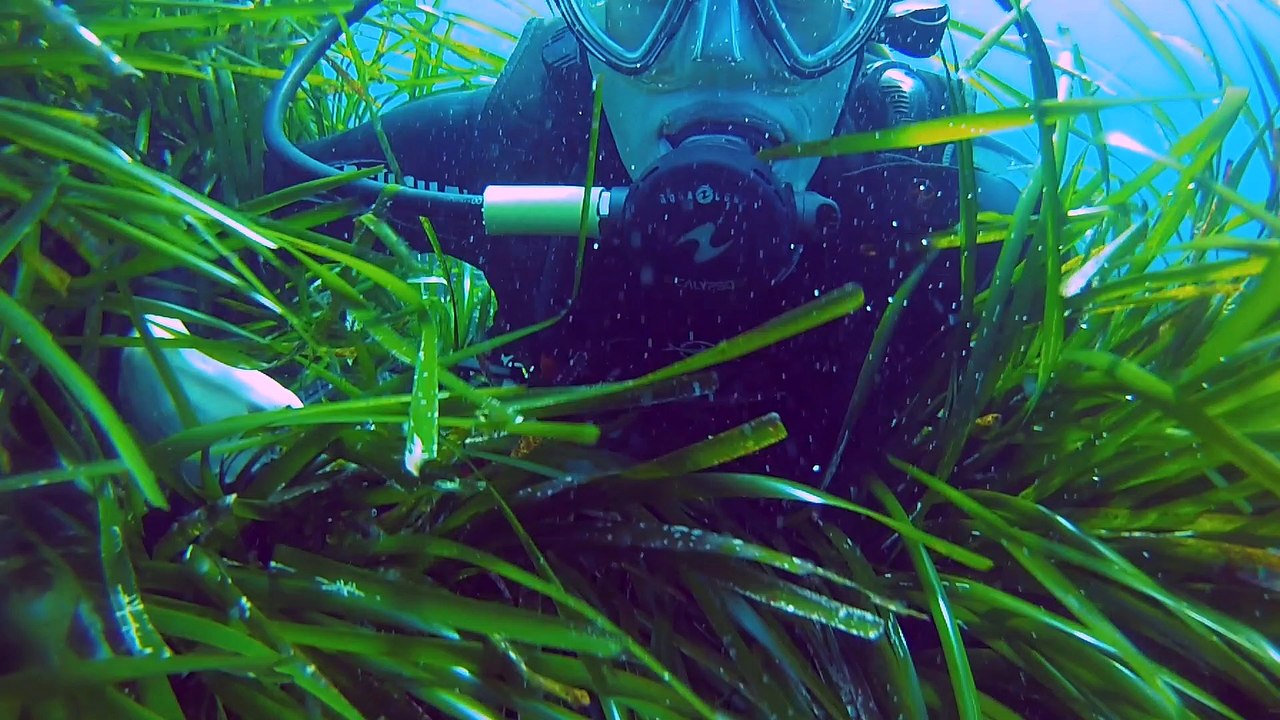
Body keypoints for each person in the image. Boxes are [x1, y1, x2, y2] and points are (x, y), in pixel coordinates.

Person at [119, 0, 1030, 492]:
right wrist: (159, 365)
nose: (719, 50)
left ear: (880, 22)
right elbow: (241, 226)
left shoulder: (953, 210)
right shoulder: (520, 144)